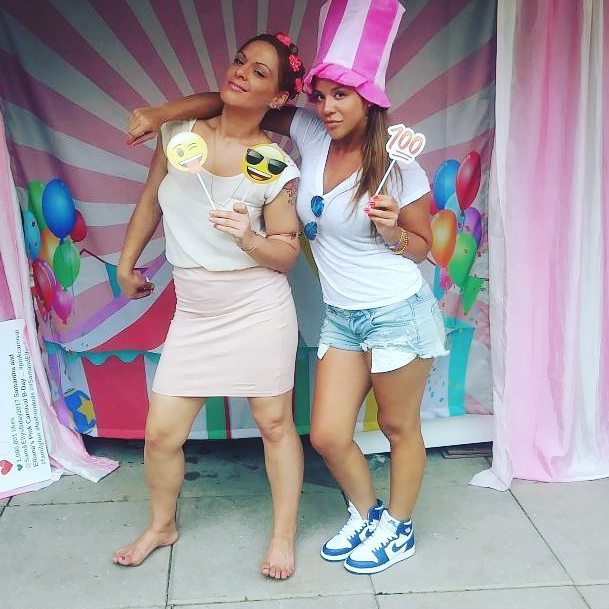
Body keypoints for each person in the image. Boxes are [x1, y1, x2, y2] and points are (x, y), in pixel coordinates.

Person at [126, 0, 448, 575]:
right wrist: (164, 112)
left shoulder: (400, 167)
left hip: (396, 309)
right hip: (341, 314)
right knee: (326, 434)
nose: (326, 107)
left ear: (370, 99)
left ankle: (397, 527)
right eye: (320, 95)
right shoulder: (312, 135)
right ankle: (368, 513)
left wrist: (393, 230)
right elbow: (228, 100)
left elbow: (423, 249)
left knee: (399, 427)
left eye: (341, 95)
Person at [114, 33, 307, 580]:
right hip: (195, 312)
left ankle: (283, 536)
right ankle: (161, 525)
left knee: (275, 424)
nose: (241, 72)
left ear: (278, 98)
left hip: (257, 307)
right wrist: (127, 263)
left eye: (259, 72)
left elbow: (287, 254)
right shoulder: (179, 135)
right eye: (240, 61)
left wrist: (249, 237)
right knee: (161, 433)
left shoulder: (275, 166)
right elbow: (150, 199)